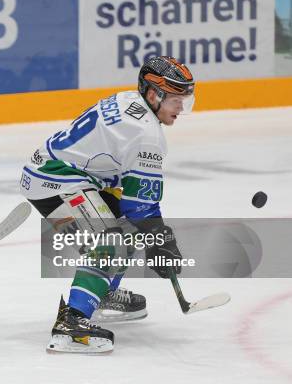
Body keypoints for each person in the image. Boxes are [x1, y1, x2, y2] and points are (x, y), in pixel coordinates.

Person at [19, 56, 194, 353]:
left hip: (57, 175)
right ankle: (72, 324)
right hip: (57, 182)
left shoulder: (128, 100)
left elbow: (133, 204)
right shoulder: (147, 136)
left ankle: (99, 292)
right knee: (111, 242)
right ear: (154, 95)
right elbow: (140, 207)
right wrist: (161, 241)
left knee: (128, 229)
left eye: (185, 100)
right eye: (176, 100)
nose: (181, 109)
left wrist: (154, 236)